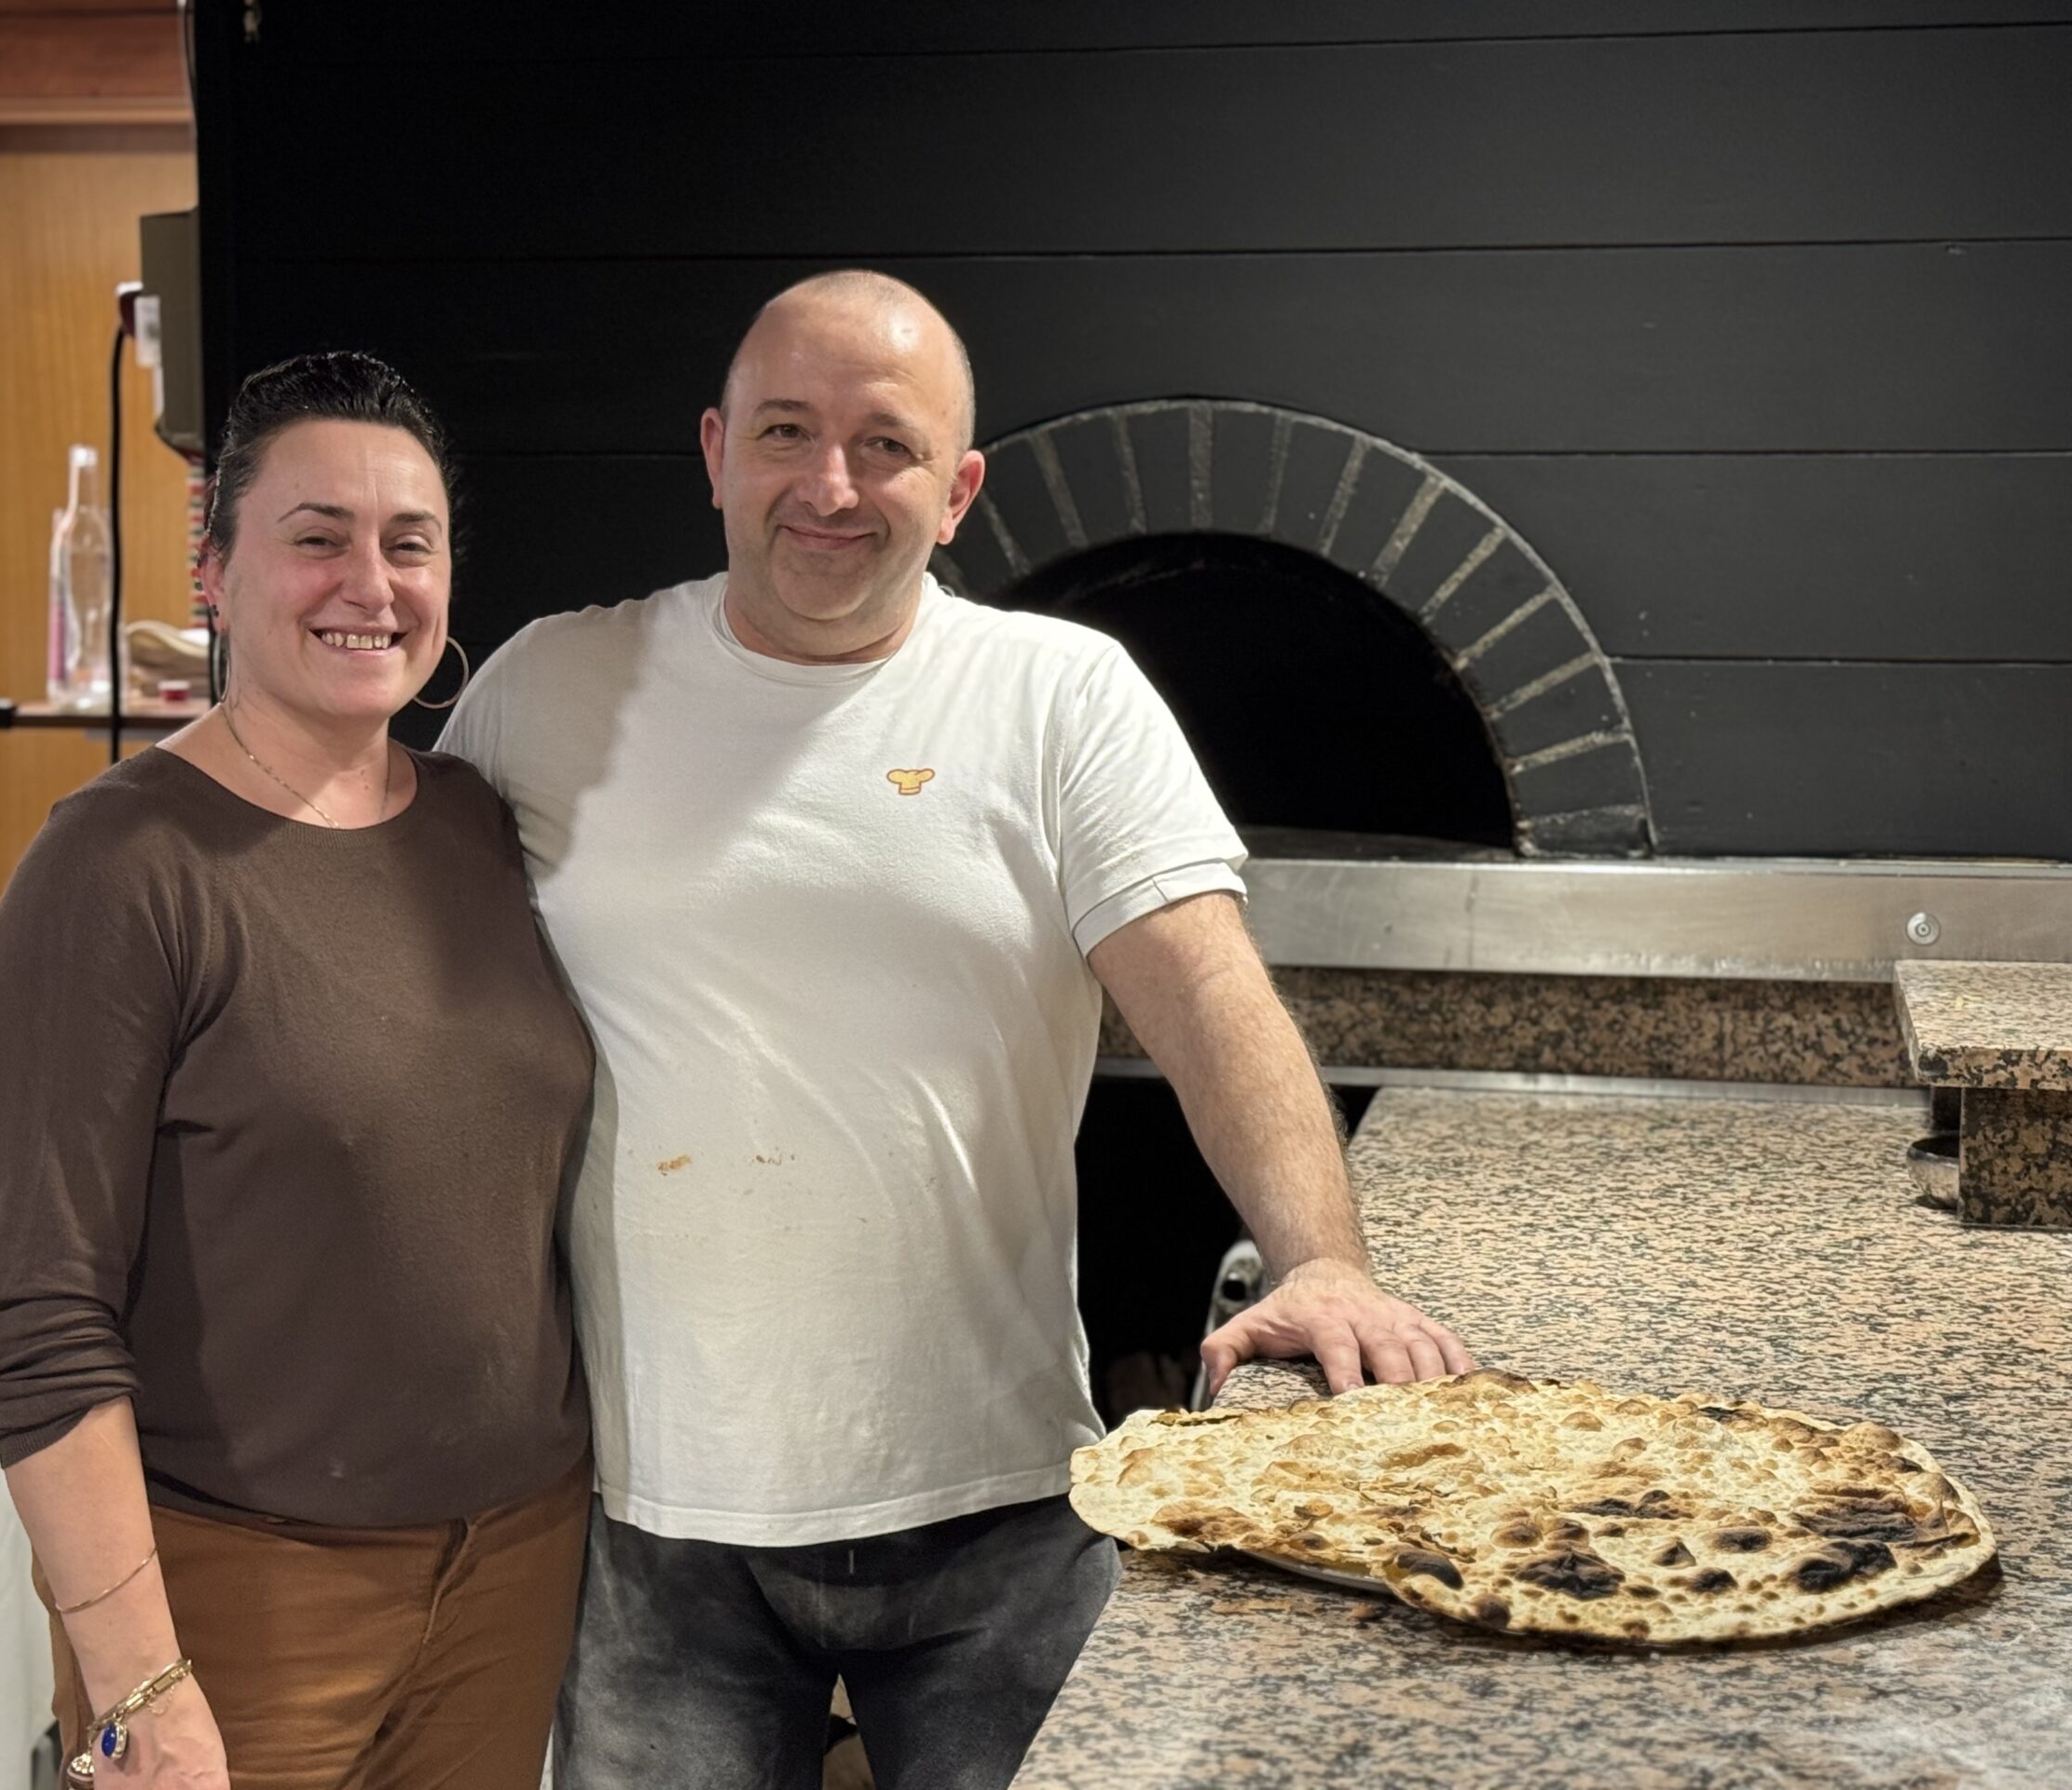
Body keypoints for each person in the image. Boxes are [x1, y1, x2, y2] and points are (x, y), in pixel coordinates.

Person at [434, 270, 1475, 1789]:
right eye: (786, 432)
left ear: (960, 489)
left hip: (1001, 1500)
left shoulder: (1060, 697)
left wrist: (1321, 1258)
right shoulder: (549, 691)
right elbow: (414, 991)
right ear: (716, 451)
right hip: (654, 1517)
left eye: (887, 445)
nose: (830, 486)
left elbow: (1210, 998)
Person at [0, 351, 595, 1790]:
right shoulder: (117, 868)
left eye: (409, 544)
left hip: (513, 1569)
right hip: (235, 1596)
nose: (370, 583)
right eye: (318, 538)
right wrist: (138, 1679)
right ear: (216, 571)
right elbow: (34, 1315)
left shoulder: (481, 825)